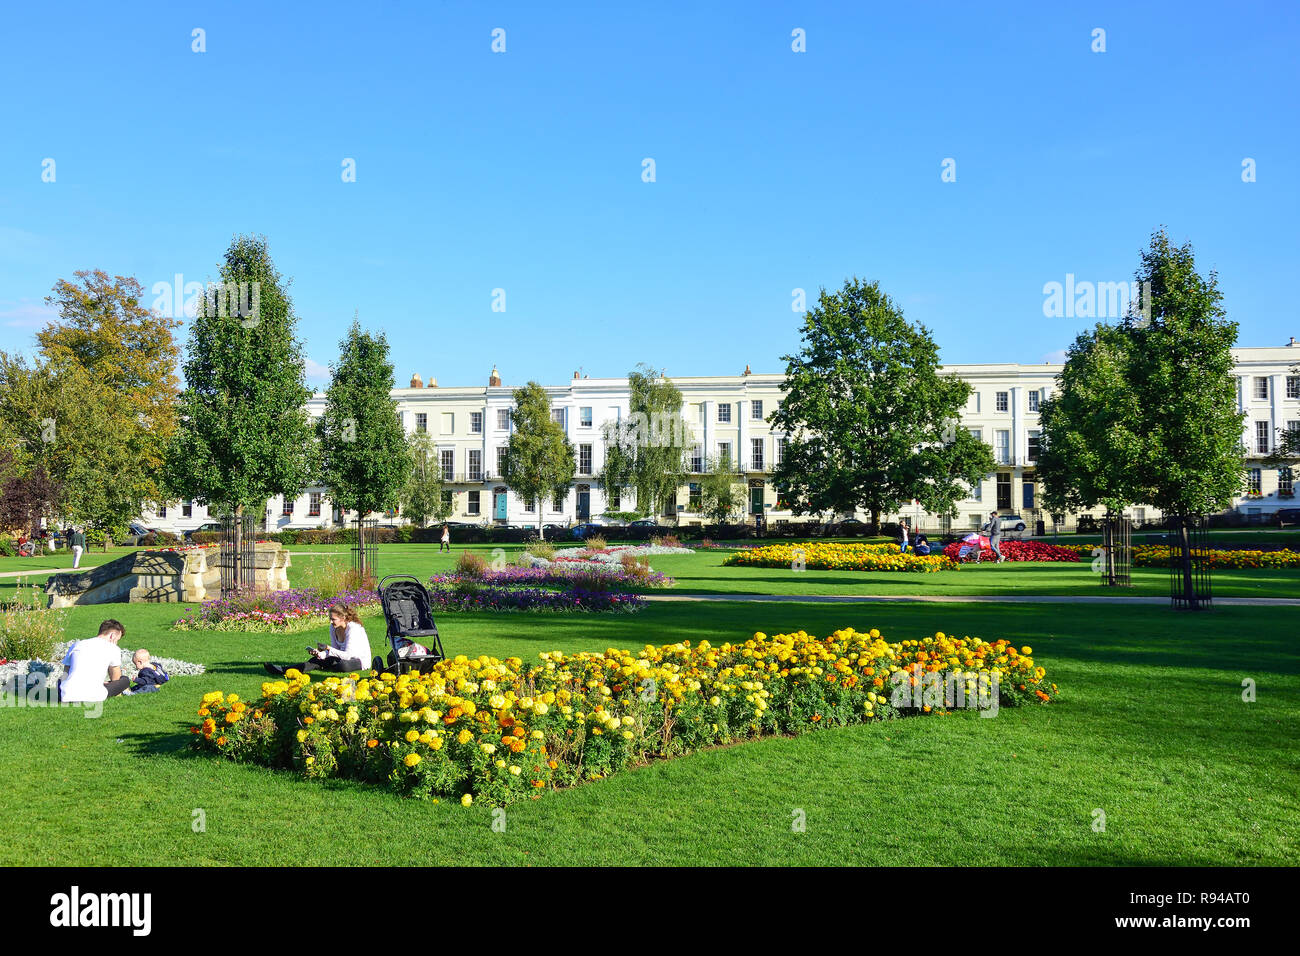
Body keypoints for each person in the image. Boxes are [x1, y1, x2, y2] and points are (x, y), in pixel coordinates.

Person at [263, 603, 372, 676]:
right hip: (341, 657)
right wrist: (321, 654)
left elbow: (348, 655)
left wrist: (328, 649)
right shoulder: (333, 628)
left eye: (333, 619)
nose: (330, 622)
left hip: (358, 660)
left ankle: (327, 666)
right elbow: (334, 650)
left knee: (342, 665)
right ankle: (284, 670)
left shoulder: (353, 628)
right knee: (316, 660)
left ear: (343, 618)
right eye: (330, 618)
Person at [59, 620, 129, 703]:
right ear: (112, 636)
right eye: (117, 640)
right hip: (94, 695)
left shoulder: (77, 644)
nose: (116, 643)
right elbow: (115, 678)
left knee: (60, 680)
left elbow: (66, 672)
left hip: (68, 694)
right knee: (124, 680)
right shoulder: (113, 648)